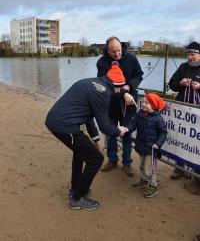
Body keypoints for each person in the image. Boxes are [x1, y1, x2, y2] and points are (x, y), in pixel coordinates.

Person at [45, 63, 128, 210]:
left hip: (57, 120)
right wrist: (118, 131)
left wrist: (96, 139)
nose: (120, 91)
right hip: (64, 125)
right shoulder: (104, 93)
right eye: (121, 89)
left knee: (80, 153)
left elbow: (88, 115)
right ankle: (77, 198)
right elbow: (105, 126)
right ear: (117, 85)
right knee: (96, 159)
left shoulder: (92, 82)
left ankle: (75, 189)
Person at [97, 36, 143, 176]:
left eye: (118, 51)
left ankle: (127, 162)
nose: (117, 54)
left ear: (121, 47)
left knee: (126, 132)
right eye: (113, 52)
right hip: (111, 103)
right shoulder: (102, 62)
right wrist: (123, 92)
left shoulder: (131, 58)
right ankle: (112, 159)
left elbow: (139, 75)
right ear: (107, 50)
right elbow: (103, 84)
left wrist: (129, 86)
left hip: (128, 103)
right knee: (111, 131)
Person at [169, 41, 200, 179]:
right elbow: (171, 85)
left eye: (192, 54)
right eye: (188, 54)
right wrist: (180, 83)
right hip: (182, 113)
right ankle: (179, 168)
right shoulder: (183, 67)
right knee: (181, 138)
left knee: (197, 142)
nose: (189, 57)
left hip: (198, 114)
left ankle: (197, 172)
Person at [127, 93, 167, 198]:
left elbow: (163, 132)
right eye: (143, 102)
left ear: (153, 105)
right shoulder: (139, 114)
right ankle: (144, 180)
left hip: (151, 149)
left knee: (150, 169)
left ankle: (153, 186)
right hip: (141, 145)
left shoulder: (158, 118)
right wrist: (127, 129)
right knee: (142, 166)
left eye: (146, 103)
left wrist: (158, 144)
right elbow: (133, 124)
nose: (143, 104)